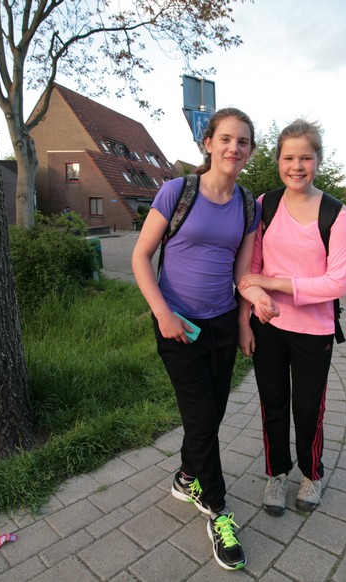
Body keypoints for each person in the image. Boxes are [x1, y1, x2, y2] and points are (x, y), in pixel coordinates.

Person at [131, 107, 277, 571]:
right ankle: (218, 510)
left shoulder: (248, 206)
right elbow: (140, 256)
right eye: (226, 139)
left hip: (221, 324)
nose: (235, 148)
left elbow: (242, 273)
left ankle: (185, 476)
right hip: (178, 325)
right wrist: (162, 314)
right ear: (209, 143)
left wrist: (245, 320)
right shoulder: (177, 191)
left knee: (210, 415)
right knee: (200, 418)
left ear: (250, 151)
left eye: (243, 142)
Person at [238, 119, 346, 517]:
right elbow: (249, 271)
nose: (297, 166)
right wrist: (251, 309)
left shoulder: (336, 214)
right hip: (268, 327)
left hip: (313, 332)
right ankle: (276, 473)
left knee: (307, 409)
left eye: (305, 157)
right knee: (272, 404)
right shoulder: (265, 205)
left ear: (318, 160)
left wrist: (274, 283)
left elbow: (337, 282)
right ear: (278, 161)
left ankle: (311, 474)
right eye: (288, 158)